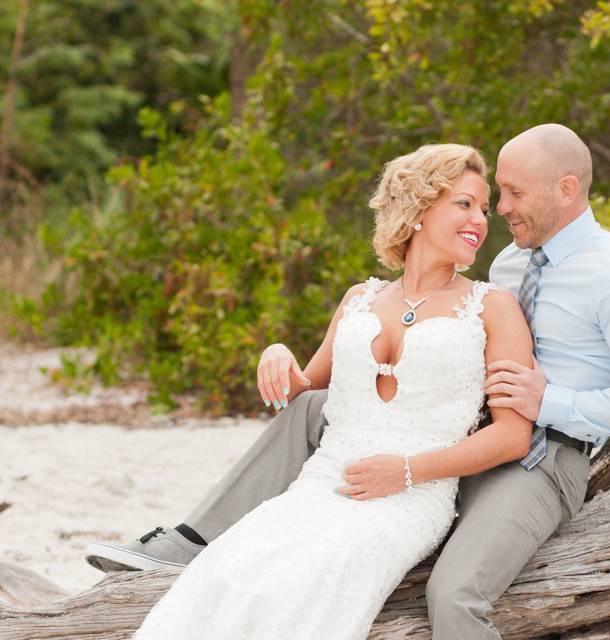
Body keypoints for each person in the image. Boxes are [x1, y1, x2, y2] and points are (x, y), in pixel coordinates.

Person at [87, 124, 610, 639]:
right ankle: (192, 538)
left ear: (566, 189)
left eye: (509, 194)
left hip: (538, 453)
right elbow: (383, 371)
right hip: (453, 426)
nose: (497, 210)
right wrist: (277, 352)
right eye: (484, 198)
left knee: (452, 594)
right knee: (313, 406)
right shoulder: (510, 265)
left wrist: (548, 400)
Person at [130, 143, 536, 639]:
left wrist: (408, 471)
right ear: (418, 208)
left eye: (484, 207)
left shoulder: (492, 307)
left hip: (410, 499)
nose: (481, 218)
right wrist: (276, 352)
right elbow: (305, 385)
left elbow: (513, 436)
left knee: (310, 583)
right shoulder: (360, 299)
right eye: (464, 203)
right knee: (227, 572)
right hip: (319, 486)